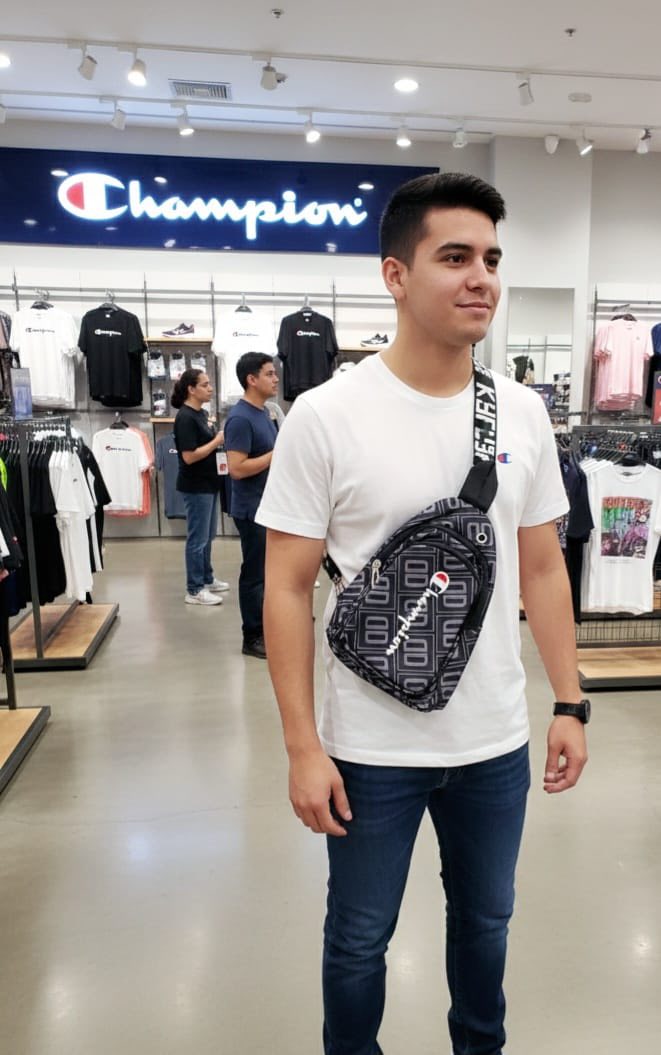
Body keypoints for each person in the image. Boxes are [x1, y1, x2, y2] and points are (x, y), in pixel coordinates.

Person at [256, 172, 589, 1055]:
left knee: (486, 924)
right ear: (395, 275)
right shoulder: (326, 416)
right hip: (368, 749)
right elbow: (285, 586)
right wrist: (301, 745)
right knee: (358, 939)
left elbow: (542, 565)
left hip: (492, 741)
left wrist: (569, 699)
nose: (481, 277)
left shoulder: (521, 412)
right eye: (455, 257)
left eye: (491, 259)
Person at [225, 352, 279, 658]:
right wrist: (276, 454)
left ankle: (267, 624)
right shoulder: (240, 418)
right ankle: (252, 635)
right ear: (251, 379)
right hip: (251, 509)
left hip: (268, 507)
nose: (275, 379)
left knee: (268, 572)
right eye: (269, 374)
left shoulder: (264, 413)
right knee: (254, 574)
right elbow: (237, 468)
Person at [172, 368, 229, 606]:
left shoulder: (201, 414)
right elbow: (189, 457)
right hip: (196, 486)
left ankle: (206, 578)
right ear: (191, 389)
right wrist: (217, 441)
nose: (210, 388)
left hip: (208, 483)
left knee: (207, 536)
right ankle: (194, 589)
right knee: (198, 538)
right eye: (205, 385)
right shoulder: (185, 418)